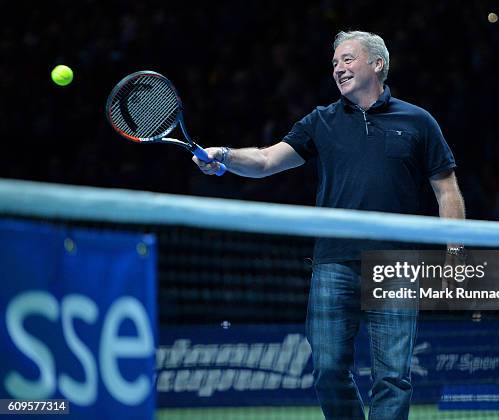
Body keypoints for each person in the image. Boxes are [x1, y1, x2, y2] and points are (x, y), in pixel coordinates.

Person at [194, 30, 465, 420]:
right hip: (333, 262)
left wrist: (455, 253)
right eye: (335, 62)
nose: (338, 68)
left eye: (348, 59)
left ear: (378, 64)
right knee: (327, 369)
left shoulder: (418, 121)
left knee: (393, 377)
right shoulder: (321, 121)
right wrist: (224, 155)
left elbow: (447, 190)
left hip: (396, 264)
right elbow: (268, 160)